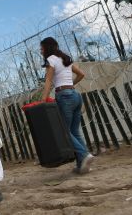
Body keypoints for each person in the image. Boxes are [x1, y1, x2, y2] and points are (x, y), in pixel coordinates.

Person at [40, 37, 94, 174]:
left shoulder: (51, 60)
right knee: (74, 132)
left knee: (64, 131)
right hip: (75, 96)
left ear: (47, 47)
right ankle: (82, 164)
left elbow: (48, 81)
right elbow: (81, 74)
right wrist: (70, 87)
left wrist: (42, 100)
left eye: (42, 48)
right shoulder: (66, 59)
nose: (41, 51)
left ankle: (84, 154)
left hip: (64, 97)